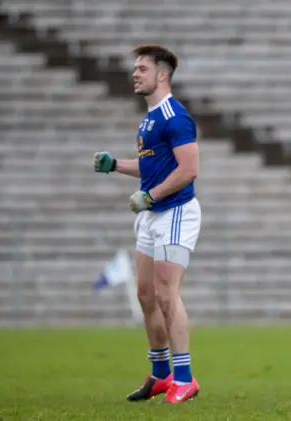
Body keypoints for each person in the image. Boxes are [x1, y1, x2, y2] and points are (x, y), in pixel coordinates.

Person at [93, 44, 201, 404]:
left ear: (162, 74)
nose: (135, 73)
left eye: (142, 68)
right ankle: (160, 374)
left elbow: (189, 169)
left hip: (174, 213)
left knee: (167, 295)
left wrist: (151, 197)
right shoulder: (150, 117)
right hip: (151, 215)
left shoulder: (174, 115)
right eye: (135, 68)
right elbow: (155, 167)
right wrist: (115, 165)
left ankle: (184, 379)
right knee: (145, 295)